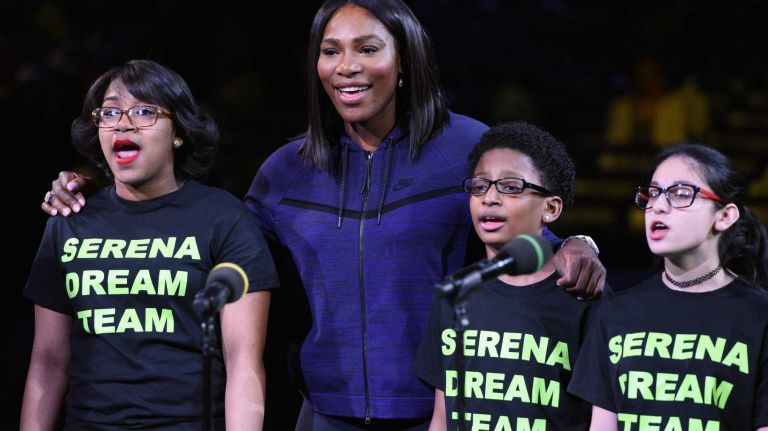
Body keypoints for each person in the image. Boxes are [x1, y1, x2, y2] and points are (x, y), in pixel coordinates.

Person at [40, 1, 605, 428]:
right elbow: (207, 235)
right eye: (331, 50)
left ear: (403, 60)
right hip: (323, 414)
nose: (346, 66)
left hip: (444, 410)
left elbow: (524, 237)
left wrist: (577, 242)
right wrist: (97, 183)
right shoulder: (286, 170)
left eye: (367, 48)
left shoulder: (468, 148)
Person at [21, 59, 279, 430]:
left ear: (179, 132)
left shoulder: (225, 220)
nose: (123, 123)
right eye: (109, 112)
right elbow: (48, 361)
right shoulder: (70, 223)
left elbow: (242, 360)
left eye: (144, 111)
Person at [568, 143, 768, 431]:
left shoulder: (759, 316)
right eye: (653, 193)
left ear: (725, 216)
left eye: (681, 193)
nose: (658, 206)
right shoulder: (614, 314)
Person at [413, 122, 596, 430]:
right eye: (480, 186)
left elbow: (603, 417)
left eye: (511, 187)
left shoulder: (584, 291)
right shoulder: (455, 291)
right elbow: (442, 418)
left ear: (550, 208)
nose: (490, 198)